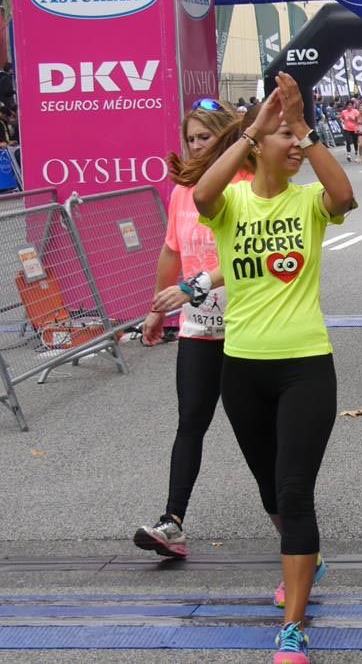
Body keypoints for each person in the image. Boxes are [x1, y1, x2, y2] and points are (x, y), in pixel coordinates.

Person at [191, 73, 356, 663]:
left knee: (295, 490)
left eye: (298, 138)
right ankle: (302, 558)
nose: (293, 146)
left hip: (305, 366)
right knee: (271, 492)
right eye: (282, 138)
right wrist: (253, 129)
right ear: (259, 145)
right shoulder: (232, 202)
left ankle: (292, 626)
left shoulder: (307, 202)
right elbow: (201, 197)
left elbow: (343, 198)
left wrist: (306, 129)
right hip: (243, 369)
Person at [132, 100, 251, 560]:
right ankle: (172, 522)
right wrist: (156, 308)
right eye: (191, 139)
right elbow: (171, 251)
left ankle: (293, 527)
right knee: (191, 422)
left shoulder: (247, 184)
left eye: (206, 137)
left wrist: (193, 286)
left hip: (246, 327)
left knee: (255, 433)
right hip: (199, 327)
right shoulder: (183, 190)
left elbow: (248, 257)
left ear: (226, 137)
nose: (197, 146)